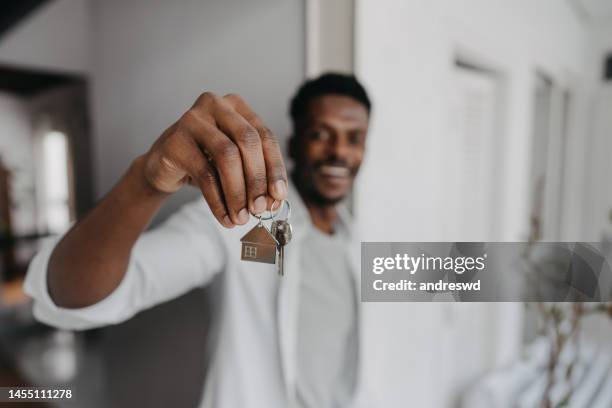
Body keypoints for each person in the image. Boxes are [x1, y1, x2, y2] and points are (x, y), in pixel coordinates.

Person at [25, 73, 371, 408]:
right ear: (294, 142)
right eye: (321, 134)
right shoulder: (244, 218)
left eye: (354, 138)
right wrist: (146, 182)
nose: (339, 151)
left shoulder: (362, 244)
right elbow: (72, 296)